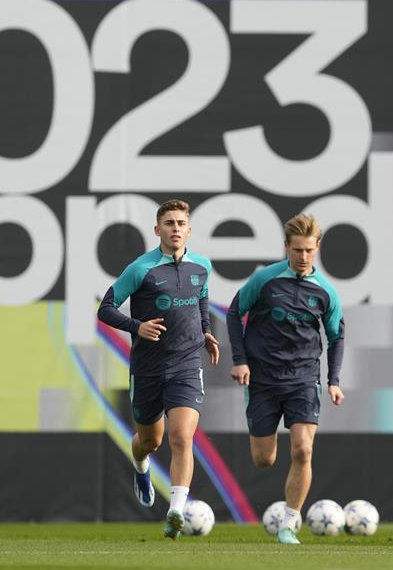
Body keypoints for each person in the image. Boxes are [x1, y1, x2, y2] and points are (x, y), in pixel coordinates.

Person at [97, 199, 219, 539]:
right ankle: (141, 466)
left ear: (189, 230)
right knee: (150, 441)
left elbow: (202, 299)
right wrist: (137, 327)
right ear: (157, 230)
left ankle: (175, 512)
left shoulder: (201, 266)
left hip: (186, 363)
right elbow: (105, 309)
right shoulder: (141, 268)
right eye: (169, 223)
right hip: (148, 369)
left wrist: (206, 330)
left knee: (182, 437)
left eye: (181, 223)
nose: (176, 228)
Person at [226, 214, 345, 545]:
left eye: (309, 250)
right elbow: (234, 313)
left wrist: (333, 380)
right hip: (263, 379)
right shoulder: (265, 280)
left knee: (303, 451)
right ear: (286, 248)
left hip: (303, 379)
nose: (303, 257)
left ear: (317, 248)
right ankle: (286, 516)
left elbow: (336, 338)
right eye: (297, 250)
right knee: (264, 459)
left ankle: (289, 524)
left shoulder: (326, 293)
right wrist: (240, 361)